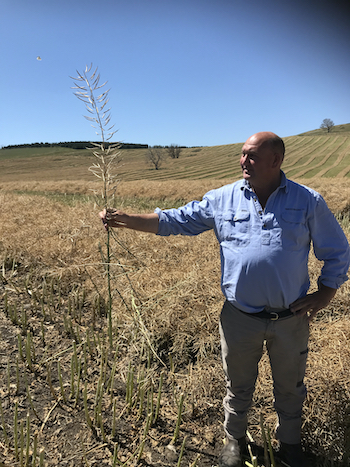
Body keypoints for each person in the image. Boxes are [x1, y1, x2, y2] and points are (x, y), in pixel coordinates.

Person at [99, 131, 350, 467]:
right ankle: (234, 439)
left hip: (290, 319)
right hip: (239, 317)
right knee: (238, 384)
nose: (244, 161)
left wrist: (324, 294)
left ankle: (290, 445)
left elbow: (337, 251)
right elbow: (176, 220)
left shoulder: (308, 202)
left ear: (276, 161)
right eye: (243, 154)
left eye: (252, 155)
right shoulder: (222, 199)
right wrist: (127, 220)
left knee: (290, 388)